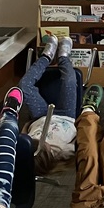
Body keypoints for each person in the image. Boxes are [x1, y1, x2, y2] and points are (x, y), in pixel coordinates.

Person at [19, 34, 77, 176]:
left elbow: (23, 134)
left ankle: (46, 56)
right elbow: (80, 140)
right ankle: (63, 57)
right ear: (49, 154)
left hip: (41, 116)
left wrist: (27, 125)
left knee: (24, 86)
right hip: (67, 116)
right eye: (44, 147)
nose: (41, 142)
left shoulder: (29, 147)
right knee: (69, 81)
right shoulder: (62, 151)